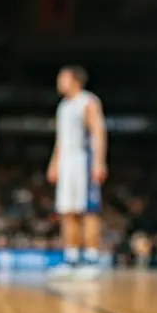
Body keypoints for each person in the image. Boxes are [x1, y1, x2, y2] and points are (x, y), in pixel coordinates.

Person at [47, 65, 106, 279]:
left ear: (74, 80)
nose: (58, 81)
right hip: (66, 162)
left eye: (62, 77)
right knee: (66, 211)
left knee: (87, 211)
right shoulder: (63, 106)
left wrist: (98, 162)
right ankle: (71, 258)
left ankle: (90, 258)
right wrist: (54, 163)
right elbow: (60, 140)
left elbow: (98, 133)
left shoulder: (88, 101)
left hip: (84, 159)